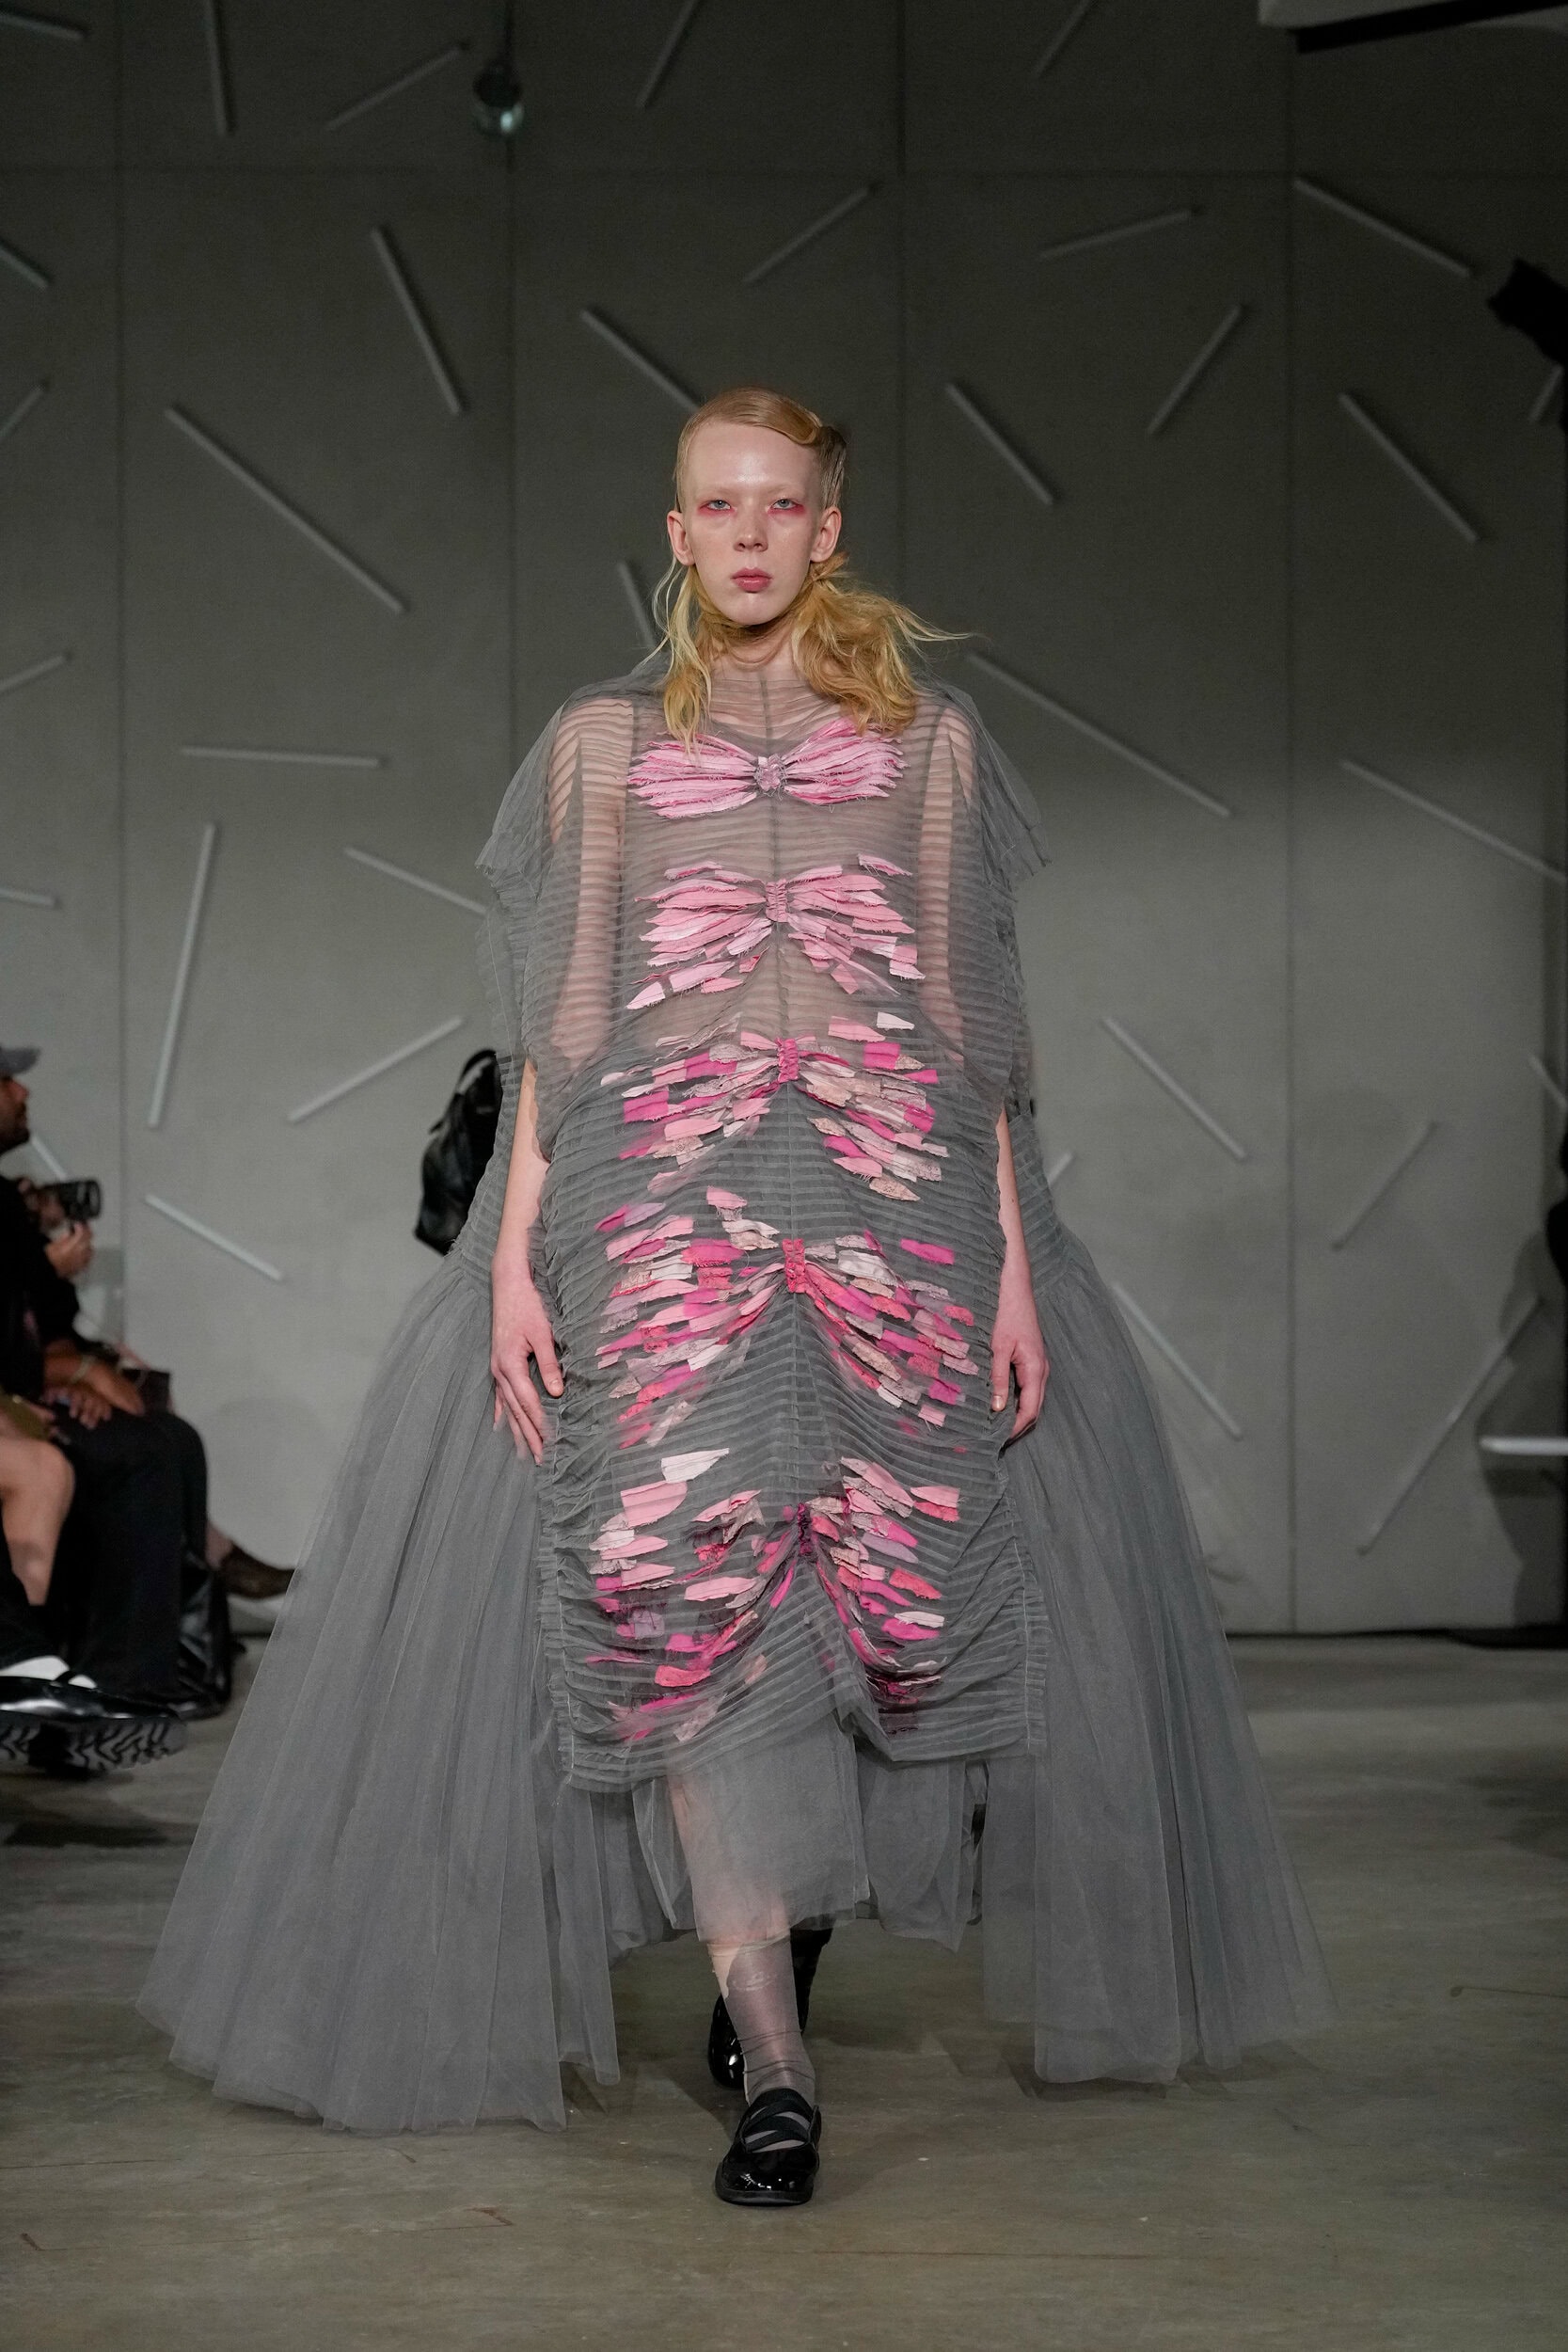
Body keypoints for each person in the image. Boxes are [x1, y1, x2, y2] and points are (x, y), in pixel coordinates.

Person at [140, 388, 1335, 2205]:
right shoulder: (601, 745)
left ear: (827, 529)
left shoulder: (930, 744)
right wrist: (512, 1257)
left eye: (783, 505)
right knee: (677, 1602)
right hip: (661, 1232)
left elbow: (978, 1034)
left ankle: (785, 1916)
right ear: (677, 532)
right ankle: (776, 2063)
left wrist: (1016, 1266)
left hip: (891, 1223)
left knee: (883, 1600)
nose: (752, 535)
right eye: (719, 506)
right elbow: (561, 1029)